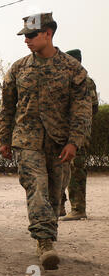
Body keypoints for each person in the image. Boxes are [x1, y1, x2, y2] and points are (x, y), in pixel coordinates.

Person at [0, 13, 92, 270]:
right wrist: (4, 139)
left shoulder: (74, 70)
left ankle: (47, 237)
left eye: (31, 35)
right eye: (24, 36)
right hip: (28, 141)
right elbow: (6, 108)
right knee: (36, 188)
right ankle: (44, 243)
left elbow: (82, 109)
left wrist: (74, 141)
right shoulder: (18, 69)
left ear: (48, 33)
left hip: (60, 143)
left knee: (54, 195)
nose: (26, 40)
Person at [60, 49, 99, 221]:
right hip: (62, 132)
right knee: (58, 167)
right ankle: (59, 206)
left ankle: (78, 209)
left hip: (78, 134)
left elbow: (91, 109)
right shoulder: (66, 80)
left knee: (76, 169)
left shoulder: (85, 82)